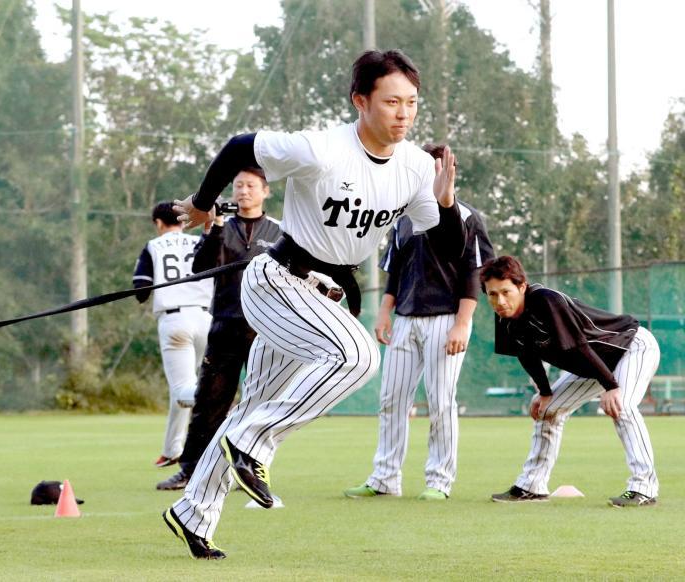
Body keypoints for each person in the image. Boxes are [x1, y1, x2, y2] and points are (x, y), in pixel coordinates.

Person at [163, 49, 464, 559]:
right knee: (359, 357)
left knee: (254, 405)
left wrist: (448, 201)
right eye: (392, 101)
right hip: (276, 280)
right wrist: (199, 202)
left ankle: (194, 512)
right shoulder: (320, 148)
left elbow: (448, 246)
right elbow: (240, 146)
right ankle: (254, 444)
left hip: (324, 296)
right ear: (360, 101)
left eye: (412, 102)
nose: (404, 113)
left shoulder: (414, 167)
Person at [343, 144, 494, 501]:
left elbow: (474, 274)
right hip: (406, 319)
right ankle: (385, 478)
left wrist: (463, 322)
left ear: (450, 169)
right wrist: (383, 312)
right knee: (391, 398)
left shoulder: (467, 216)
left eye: (440, 165)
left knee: (441, 401)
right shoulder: (404, 219)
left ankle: (439, 481)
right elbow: (395, 272)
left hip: (447, 320)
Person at [481, 256, 661, 507]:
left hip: (631, 346)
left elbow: (580, 345)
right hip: (594, 363)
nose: (500, 301)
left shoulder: (546, 301)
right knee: (548, 410)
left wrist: (611, 387)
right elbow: (526, 355)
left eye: (506, 292)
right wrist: (545, 393)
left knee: (623, 406)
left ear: (522, 286)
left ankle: (644, 488)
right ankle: (532, 486)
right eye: (492, 294)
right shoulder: (504, 316)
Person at [155, 167, 283, 491]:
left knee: (261, 403)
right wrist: (214, 227)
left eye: (251, 186)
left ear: (265, 191)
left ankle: (251, 470)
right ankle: (190, 470)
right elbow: (199, 267)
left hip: (266, 330)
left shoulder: (281, 231)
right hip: (225, 324)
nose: (243, 191)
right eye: (238, 185)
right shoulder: (221, 226)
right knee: (209, 402)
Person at [133, 202, 214, 468]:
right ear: (183, 221)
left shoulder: (153, 246)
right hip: (206, 319)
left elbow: (141, 290)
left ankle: (222, 402)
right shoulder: (200, 242)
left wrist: (145, 290)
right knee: (182, 387)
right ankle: (171, 450)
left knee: (184, 391)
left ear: (158, 223)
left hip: (175, 322)